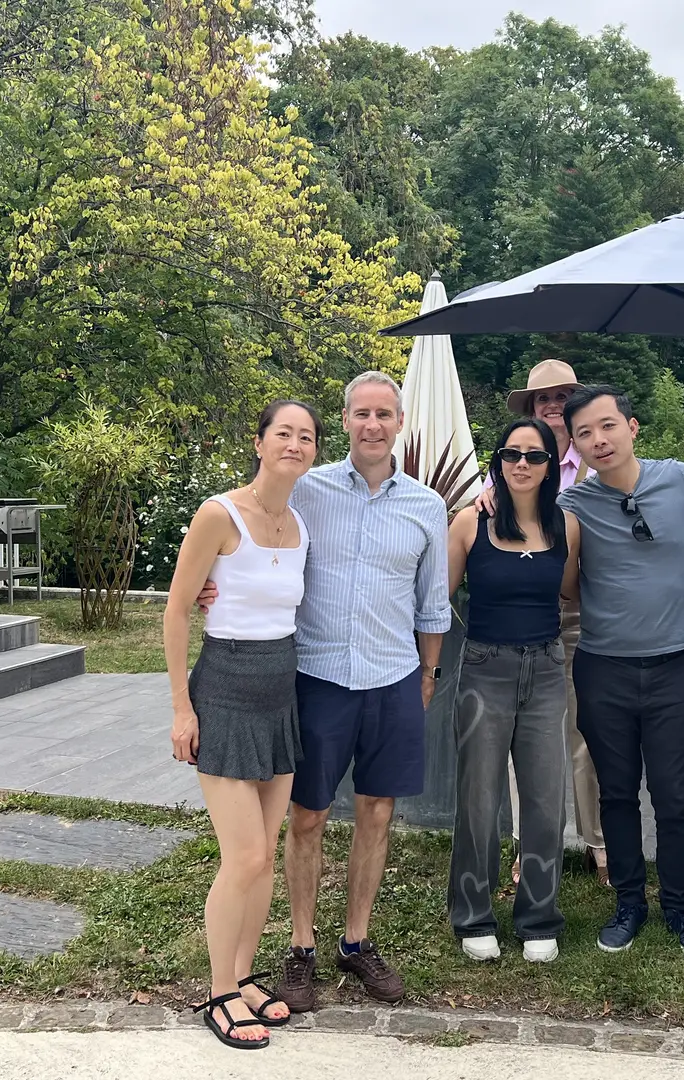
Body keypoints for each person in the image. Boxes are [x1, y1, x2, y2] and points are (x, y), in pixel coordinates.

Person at [199, 371, 450, 1012]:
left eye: (384, 414)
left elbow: (433, 606)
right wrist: (211, 584)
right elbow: (252, 544)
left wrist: (426, 675)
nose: (372, 424)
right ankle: (302, 947)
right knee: (306, 817)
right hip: (316, 679)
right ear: (345, 421)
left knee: (378, 813)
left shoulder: (426, 506)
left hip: (394, 677)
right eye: (361, 413)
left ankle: (357, 942)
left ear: (400, 425)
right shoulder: (304, 489)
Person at [164, 400, 320, 1049]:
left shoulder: (301, 526)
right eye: (283, 432)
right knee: (246, 855)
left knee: (264, 863)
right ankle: (218, 994)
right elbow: (176, 612)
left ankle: (244, 977)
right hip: (224, 691)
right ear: (258, 443)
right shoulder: (217, 515)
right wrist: (181, 707)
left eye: (306, 436)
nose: (294, 443)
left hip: (280, 698)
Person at [558, 384, 684, 960]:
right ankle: (629, 902)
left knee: (674, 795)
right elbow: (556, 569)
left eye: (607, 425)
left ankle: (681, 907)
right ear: (574, 445)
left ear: (632, 426)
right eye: (584, 433)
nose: (599, 439)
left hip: (675, 663)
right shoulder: (574, 506)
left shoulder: (678, 478)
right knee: (617, 793)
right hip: (603, 668)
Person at [445, 418, 581, 963]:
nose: (522, 464)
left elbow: (569, 591)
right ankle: (473, 913)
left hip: (547, 669)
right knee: (479, 797)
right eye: (510, 454)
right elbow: (439, 597)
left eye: (535, 455)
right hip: (484, 669)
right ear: (498, 461)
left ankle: (538, 915)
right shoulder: (468, 524)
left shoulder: (566, 527)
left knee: (547, 796)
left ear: (552, 464)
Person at [479, 358, 608, 887]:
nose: (552, 406)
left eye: (561, 397)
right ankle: (534, 845)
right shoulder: (507, 464)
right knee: (525, 742)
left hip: (578, 614)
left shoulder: (599, 462)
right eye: (543, 400)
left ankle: (599, 844)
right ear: (531, 408)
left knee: (585, 735)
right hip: (518, 622)